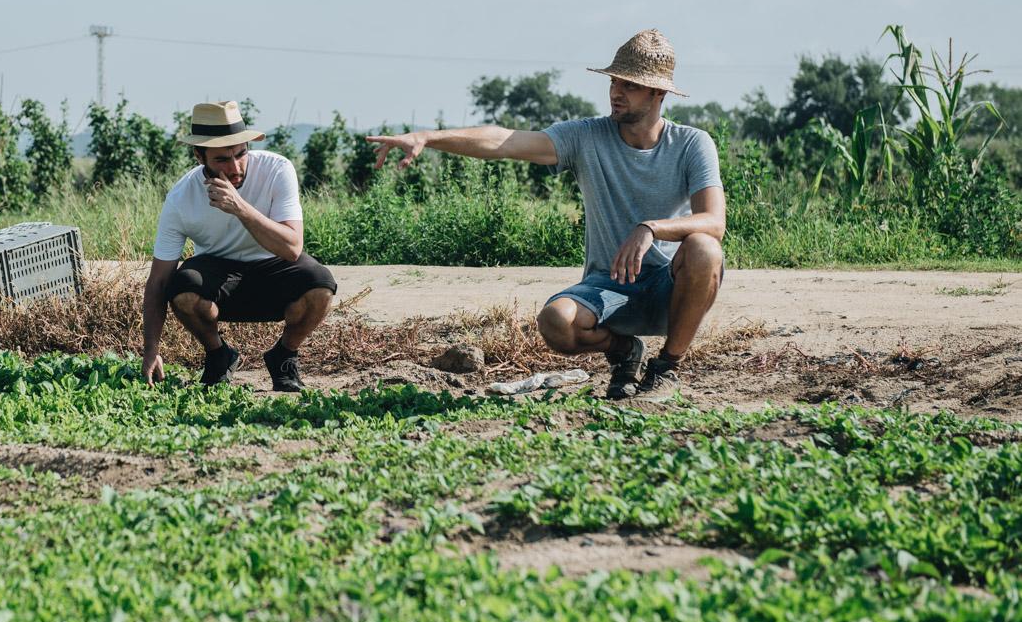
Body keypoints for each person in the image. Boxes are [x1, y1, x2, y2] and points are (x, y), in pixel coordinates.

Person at [367, 29, 725, 400]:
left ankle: (665, 369)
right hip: (611, 288)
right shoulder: (587, 137)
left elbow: (715, 222)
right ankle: (625, 354)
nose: (616, 92)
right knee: (556, 323)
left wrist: (651, 228)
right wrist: (429, 137)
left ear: (658, 93)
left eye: (630, 85)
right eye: (614, 81)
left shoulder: (691, 143)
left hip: (670, 287)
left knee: (705, 248)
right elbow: (504, 141)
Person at [142, 101, 338, 391]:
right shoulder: (181, 198)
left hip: (274, 264)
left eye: (241, 154)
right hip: (218, 272)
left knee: (320, 284)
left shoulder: (277, 169)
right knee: (181, 288)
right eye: (222, 159)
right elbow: (158, 281)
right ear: (200, 156)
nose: (235, 167)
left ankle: (284, 356)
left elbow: (293, 248)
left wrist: (241, 208)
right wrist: (151, 351)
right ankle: (219, 355)